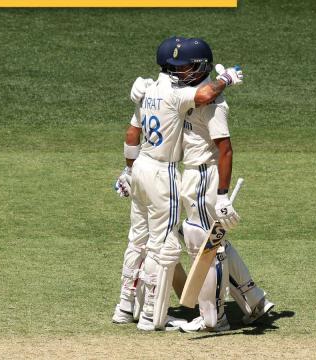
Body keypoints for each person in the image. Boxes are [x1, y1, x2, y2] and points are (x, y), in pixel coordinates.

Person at [131, 39, 274, 333]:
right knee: (203, 239)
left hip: (203, 175)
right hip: (189, 175)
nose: (178, 71)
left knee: (204, 244)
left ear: (200, 67)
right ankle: (252, 297)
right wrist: (143, 89)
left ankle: (215, 318)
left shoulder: (213, 103)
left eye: (185, 66)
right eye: (176, 67)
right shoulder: (186, 92)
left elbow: (226, 149)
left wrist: (222, 194)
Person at [112, 37, 243, 331]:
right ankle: (150, 316)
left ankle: (124, 306)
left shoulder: (146, 90)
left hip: (140, 168)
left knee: (138, 239)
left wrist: (127, 171)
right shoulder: (176, 94)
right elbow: (205, 95)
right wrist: (226, 78)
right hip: (163, 173)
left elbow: (132, 133)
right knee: (163, 245)